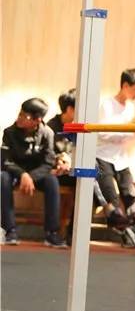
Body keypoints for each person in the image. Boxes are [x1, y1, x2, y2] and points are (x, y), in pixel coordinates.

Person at [95, 68, 135, 251]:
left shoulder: (131, 108)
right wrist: (127, 129)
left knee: (132, 195)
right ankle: (122, 229)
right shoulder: (106, 105)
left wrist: (134, 128)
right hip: (102, 155)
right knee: (112, 197)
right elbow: (103, 132)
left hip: (121, 157)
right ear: (125, 85)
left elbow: (128, 134)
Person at [0, 98, 66, 247]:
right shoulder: (9, 132)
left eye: (25, 116)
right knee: (2, 178)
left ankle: (52, 233)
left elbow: (48, 162)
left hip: (37, 175)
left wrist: (30, 176)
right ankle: (9, 230)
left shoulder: (47, 133)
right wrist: (22, 174)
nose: (19, 118)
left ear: (37, 120)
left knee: (52, 180)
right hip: (15, 173)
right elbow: (5, 161)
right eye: (20, 113)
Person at [46, 89, 77, 244]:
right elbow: (46, 154)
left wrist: (70, 160)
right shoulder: (51, 127)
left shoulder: (79, 128)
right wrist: (59, 160)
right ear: (70, 109)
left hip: (72, 172)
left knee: (88, 183)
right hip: (54, 173)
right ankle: (54, 232)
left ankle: (74, 233)